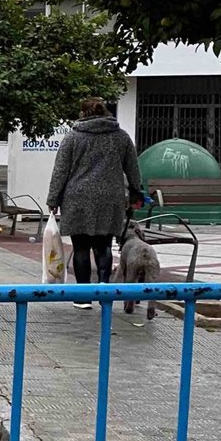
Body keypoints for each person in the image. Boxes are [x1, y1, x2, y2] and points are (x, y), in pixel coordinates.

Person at [46, 98, 144, 306]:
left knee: (80, 247)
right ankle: (103, 291)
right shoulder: (121, 137)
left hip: (78, 197)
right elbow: (133, 168)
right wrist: (136, 191)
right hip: (110, 198)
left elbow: (60, 170)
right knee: (104, 246)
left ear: (83, 114)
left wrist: (53, 198)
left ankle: (83, 297)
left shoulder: (73, 137)